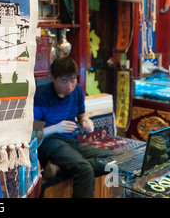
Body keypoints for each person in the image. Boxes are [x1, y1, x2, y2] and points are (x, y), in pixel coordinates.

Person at [33, 56, 113, 198]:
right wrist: (56, 128)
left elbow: (82, 115)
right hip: (48, 143)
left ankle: (59, 168)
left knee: (111, 159)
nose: (69, 86)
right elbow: (34, 134)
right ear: (53, 78)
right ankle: (67, 165)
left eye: (73, 80)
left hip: (71, 142)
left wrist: (86, 122)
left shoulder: (77, 91)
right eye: (64, 81)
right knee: (84, 169)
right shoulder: (41, 96)